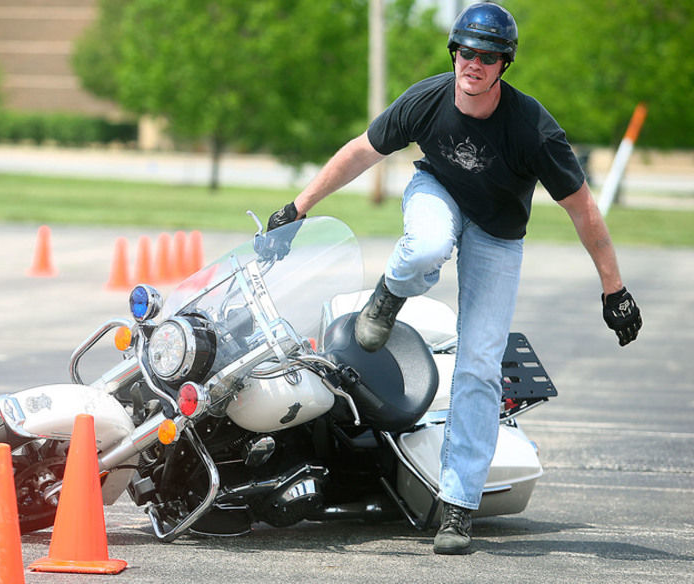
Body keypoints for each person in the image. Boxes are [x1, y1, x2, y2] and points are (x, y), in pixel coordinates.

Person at [267, 1, 642, 554]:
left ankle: (459, 505)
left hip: (499, 234)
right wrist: (296, 208)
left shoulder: (534, 129)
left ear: (503, 65)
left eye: (488, 56)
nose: (474, 63)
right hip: (436, 195)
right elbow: (358, 154)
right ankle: (386, 299)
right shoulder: (427, 100)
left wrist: (615, 289)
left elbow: (585, 211)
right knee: (428, 245)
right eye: (466, 51)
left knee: (481, 366)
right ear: (455, 53)